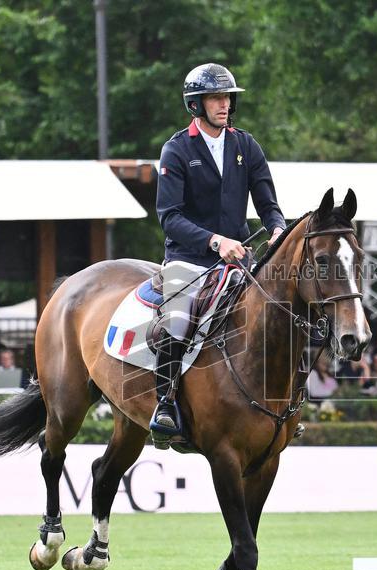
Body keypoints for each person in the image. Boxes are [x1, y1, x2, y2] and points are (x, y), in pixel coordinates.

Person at [150, 62, 286, 442]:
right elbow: (170, 217)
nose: (224, 104)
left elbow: (268, 203)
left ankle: (284, 405)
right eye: (215, 98)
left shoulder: (246, 144)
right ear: (196, 104)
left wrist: (277, 228)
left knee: (280, 315)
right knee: (176, 323)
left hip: (240, 260)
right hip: (188, 260)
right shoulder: (176, 150)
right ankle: (165, 404)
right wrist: (215, 241)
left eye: (227, 97)